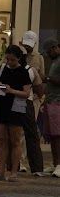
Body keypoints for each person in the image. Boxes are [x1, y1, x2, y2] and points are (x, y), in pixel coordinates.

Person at [0, 45, 32, 183]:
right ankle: (1, 170)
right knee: (2, 140)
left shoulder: (23, 72)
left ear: (18, 59)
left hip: (16, 108)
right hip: (2, 106)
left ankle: (14, 172)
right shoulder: (2, 69)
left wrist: (11, 91)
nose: (9, 62)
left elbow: (26, 93)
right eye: (7, 59)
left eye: (12, 60)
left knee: (15, 141)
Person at [18, 31, 44, 175]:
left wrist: (40, 98)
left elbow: (41, 78)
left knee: (30, 132)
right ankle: (19, 161)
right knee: (19, 132)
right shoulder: (15, 54)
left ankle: (33, 165)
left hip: (32, 98)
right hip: (19, 98)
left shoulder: (38, 58)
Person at [43, 39, 60, 177]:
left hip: (57, 102)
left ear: (55, 48)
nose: (48, 55)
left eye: (49, 52)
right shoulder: (54, 62)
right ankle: (55, 163)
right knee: (52, 136)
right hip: (50, 101)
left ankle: (59, 165)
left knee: (57, 135)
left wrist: (47, 78)